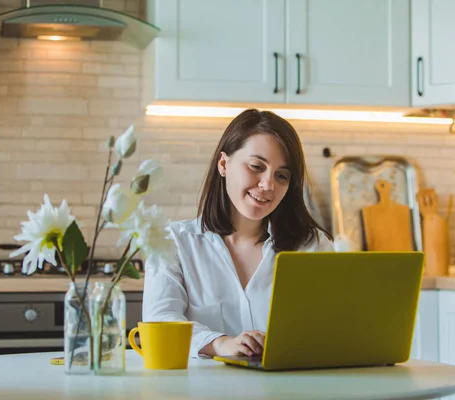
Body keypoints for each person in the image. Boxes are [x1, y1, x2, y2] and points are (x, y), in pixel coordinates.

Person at [142, 108, 333, 358]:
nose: (267, 185)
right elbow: (160, 320)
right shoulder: (174, 242)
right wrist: (220, 343)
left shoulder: (312, 245)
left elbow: (330, 327)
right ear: (224, 163)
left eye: (282, 176)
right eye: (256, 166)